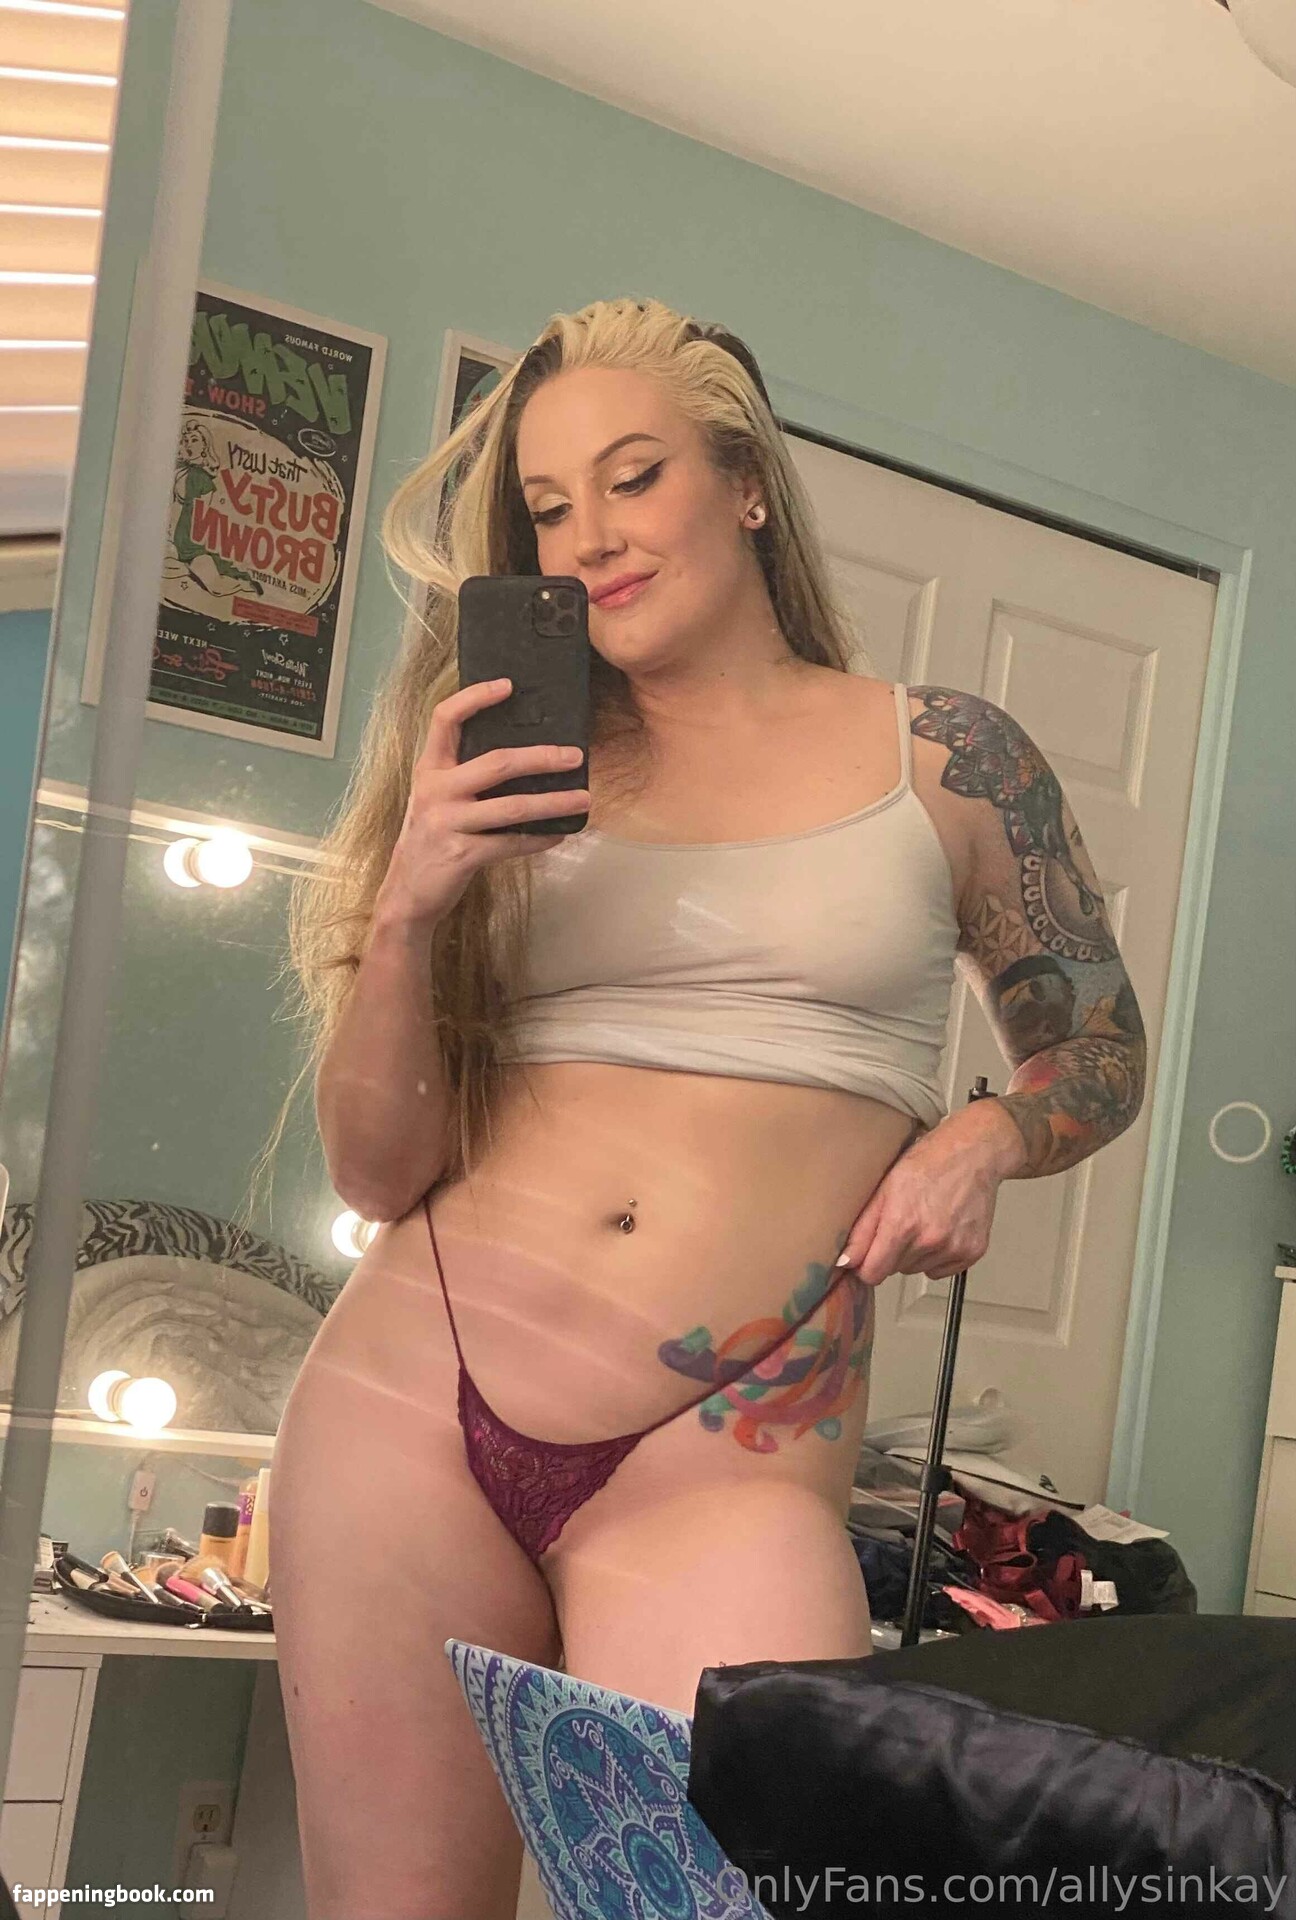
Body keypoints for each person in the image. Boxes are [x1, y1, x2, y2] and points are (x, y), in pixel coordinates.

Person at [269, 296, 1146, 1920]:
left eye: (634, 477)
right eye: (549, 508)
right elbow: (378, 1170)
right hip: (410, 1417)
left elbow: (1097, 1050)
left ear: (744, 484)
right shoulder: (505, 770)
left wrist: (985, 1136)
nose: (591, 538)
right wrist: (408, 910)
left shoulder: (947, 759)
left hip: (724, 1462)